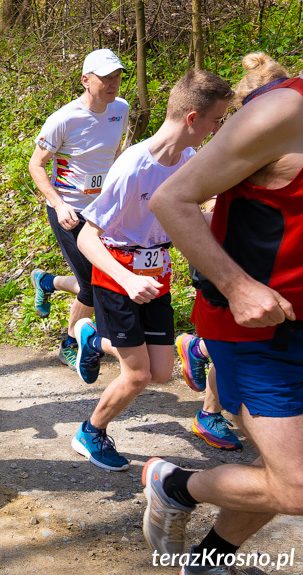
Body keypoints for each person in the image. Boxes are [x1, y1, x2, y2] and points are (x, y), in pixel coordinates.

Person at [142, 59, 302, 574]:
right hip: (257, 330)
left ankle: (211, 559)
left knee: (288, 467)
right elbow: (172, 198)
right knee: (297, 486)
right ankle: (174, 485)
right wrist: (237, 286)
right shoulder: (283, 113)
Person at [70, 70, 232, 472]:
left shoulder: (188, 158)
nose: (219, 129)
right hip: (117, 272)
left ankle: (93, 340)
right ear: (192, 118)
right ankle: (90, 431)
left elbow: (191, 214)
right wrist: (126, 278)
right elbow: (88, 238)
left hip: (157, 272)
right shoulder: (133, 167)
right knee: (138, 375)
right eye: (217, 120)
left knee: (160, 372)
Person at [28, 49, 129, 371]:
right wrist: (58, 205)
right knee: (90, 284)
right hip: (69, 210)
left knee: (101, 278)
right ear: (86, 80)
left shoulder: (121, 109)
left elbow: (113, 154)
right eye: (105, 78)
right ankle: (71, 343)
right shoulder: (64, 119)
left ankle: (46, 282)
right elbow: (36, 165)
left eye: (116, 76)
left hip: (103, 210)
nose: (112, 84)